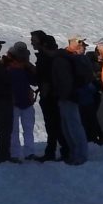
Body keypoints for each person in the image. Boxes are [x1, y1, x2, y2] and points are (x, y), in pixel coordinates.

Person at [55, 35, 92, 165]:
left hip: (71, 96)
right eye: (80, 43)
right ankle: (76, 153)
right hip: (68, 95)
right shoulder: (69, 58)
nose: (83, 47)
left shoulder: (74, 58)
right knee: (68, 126)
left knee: (73, 126)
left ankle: (80, 155)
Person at [30, 31, 64, 161]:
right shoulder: (48, 57)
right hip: (53, 95)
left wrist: (45, 92)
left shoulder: (45, 58)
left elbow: (44, 77)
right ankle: (56, 151)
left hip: (50, 96)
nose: (32, 42)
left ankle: (58, 152)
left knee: (53, 124)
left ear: (42, 42)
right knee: (54, 124)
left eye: (34, 40)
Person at [4, 42, 38, 162]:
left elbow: (35, 80)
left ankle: (28, 153)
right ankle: (15, 154)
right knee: (15, 130)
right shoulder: (6, 64)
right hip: (14, 102)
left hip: (25, 101)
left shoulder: (25, 65)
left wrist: (30, 67)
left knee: (27, 129)